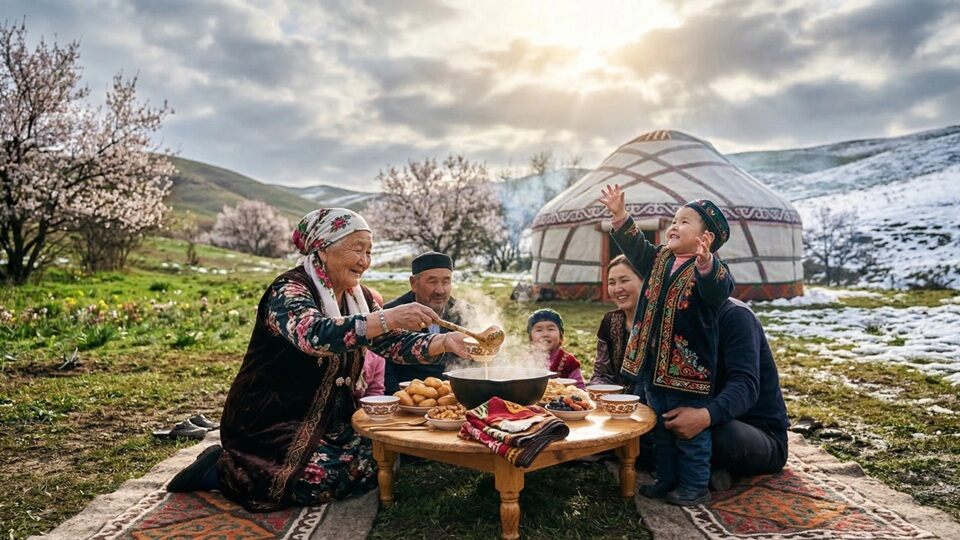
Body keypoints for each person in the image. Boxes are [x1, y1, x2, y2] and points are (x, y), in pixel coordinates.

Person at [166, 208, 471, 512]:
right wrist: (386, 318)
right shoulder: (289, 290)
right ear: (323, 249)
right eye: (357, 249)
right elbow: (316, 336)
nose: (364, 260)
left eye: (369, 251)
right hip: (274, 417)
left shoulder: (362, 297)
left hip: (331, 418)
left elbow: (390, 344)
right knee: (319, 479)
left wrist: (446, 342)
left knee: (387, 453)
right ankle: (219, 469)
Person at [599, 184, 734, 506]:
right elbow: (636, 248)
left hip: (685, 369)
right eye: (674, 220)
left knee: (689, 435)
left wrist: (706, 264)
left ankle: (694, 486)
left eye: (685, 221)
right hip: (650, 365)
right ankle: (665, 479)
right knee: (658, 426)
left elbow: (719, 291)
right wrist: (619, 215)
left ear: (707, 238)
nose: (674, 226)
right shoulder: (659, 258)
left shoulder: (711, 269)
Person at [652, 298, 790, 489]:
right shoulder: (675, 314)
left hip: (755, 431)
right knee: (651, 432)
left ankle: (701, 470)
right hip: (693, 413)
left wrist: (704, 417)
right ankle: (708, 469)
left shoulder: (736, 316)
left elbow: (745, 384)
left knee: (717, 437)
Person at [382, 251, 476, 393]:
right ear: (414, 283)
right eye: (432, 282)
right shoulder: (393, 313)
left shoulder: (465, 312)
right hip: (410, 398)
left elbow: (474, 364)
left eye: (446, 282)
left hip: (456, 395)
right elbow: (385, 372)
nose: (440, 290)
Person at [589, 255, 642, 387]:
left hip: (658, 405)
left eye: (624, 280)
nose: (617, 289)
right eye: (612, 283)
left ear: (645, 281)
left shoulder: (664, 321)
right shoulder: (610, 321)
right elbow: (602, 374)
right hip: (617, 402)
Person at [527, 308, 585, 388]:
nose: (545, 334)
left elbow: (580, 389)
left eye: (551, 329)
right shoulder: (524, 361)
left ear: (560, 335)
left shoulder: (569, 362)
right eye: (539, 330)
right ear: (530, 337)